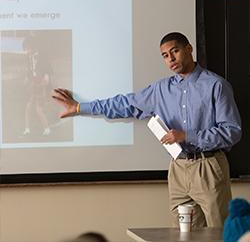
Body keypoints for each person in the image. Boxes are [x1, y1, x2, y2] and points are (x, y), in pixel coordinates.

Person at [52, 32, 242, 228]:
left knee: (219, 231)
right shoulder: (161, 90)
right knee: (184, 234)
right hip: (178, 168)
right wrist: (78, 107)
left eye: (175, 51)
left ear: (189, 49)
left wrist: (187, 135)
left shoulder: (216, 85)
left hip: (208, 166)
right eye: (165, 56)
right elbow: (124, 104)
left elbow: (232, 131)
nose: (171, 59)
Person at [22, 35, 51, 136]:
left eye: (27, 48)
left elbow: (47, 66)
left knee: (38, 109)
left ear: (32, 46)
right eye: (25, 49)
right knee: (28, 107)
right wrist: (27, 77)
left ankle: (47, 128)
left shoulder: (42, 55)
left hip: (41, 83)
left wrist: (47, 75)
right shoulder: (28, 56)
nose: (26, 51)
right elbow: (30, 69)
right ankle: (27, 129)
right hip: (33, 83)